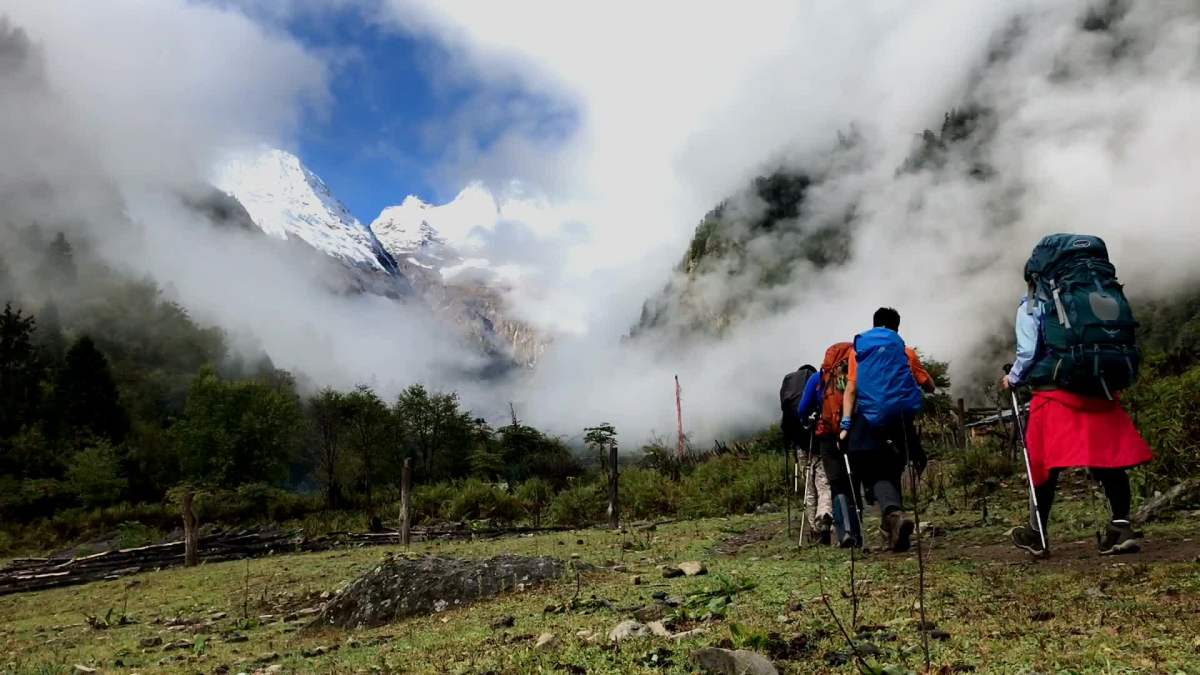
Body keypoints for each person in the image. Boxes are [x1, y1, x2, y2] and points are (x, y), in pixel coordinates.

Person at [1002, 287, 1153, 557]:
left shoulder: (1032, 305)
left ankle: (1037, 535)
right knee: (1108, 459)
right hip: (1098, 388)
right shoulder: (1096, 295)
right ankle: (1121, 527)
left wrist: (1013, 378)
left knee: (1043, 463)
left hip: (1053, 393)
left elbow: (1027, 353)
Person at [838, 307, 935, 552]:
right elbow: (929, 385)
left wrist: (846, 424)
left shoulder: (858, 351)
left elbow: (851, 390)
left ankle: (893, 517)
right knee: (893, 470)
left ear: (874, 325)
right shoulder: (905, 352)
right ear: (896, 328)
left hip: (870, 420)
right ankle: (893, 522)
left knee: (876, 473)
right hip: (901, 420)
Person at [799, 342, 855, 546]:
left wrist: (809, 421)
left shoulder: (818, 378)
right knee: (850, 483)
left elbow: (802, 410)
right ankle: (855, 532)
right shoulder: (854, 374)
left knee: (833, 483)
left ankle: (839, 532)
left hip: (826, 437)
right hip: (851, 433)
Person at [781, 364, 832, 544]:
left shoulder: (789, 385)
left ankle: (814, 528)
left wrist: (788, 442)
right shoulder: (818, 381)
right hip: (820, 438)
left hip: (800, 443)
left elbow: (786, 420)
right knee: (823, 481)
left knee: (808, 485)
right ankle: (824, 513)